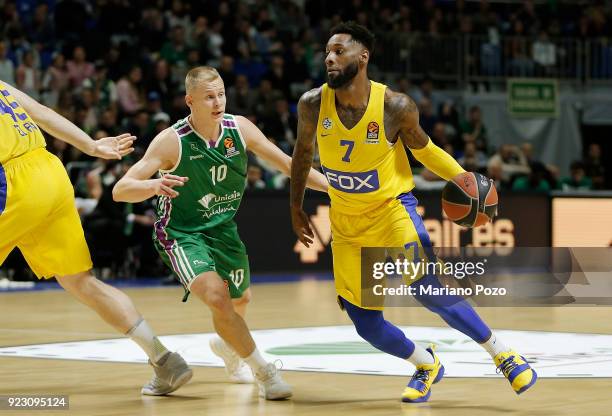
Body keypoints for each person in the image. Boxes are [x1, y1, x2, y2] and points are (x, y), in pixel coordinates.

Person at [289, 22, 537, 403]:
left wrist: (467, 181)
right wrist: (295, 205)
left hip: (392, 212)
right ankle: (426, 363)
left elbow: (425, 150)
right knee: (366, 325)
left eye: (339, 50)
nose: (329, 57)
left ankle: (503, 354)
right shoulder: (311, 104)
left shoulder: (394, 105)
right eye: (327, 52)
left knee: (426, 287)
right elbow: (303, 154)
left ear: (363, 56)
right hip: (347, 224)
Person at [112, 66, 328, 400]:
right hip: (180, 233)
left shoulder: (238, 128)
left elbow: (288, 164)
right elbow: (121, 190)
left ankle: (227, 346)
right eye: (209, 96)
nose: (218, 102)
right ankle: (265, 372)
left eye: (221, 94)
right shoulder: (172, 141)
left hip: (223, 229)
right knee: (217, 297)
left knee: (240, 299)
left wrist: (334, 189)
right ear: (190, 101)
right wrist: (154, 184)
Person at [0, 79, 193, 396]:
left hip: (12, 182)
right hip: (51, 173)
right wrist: (91, 145)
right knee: (80, 281)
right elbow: (42, 113)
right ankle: (163, 360)